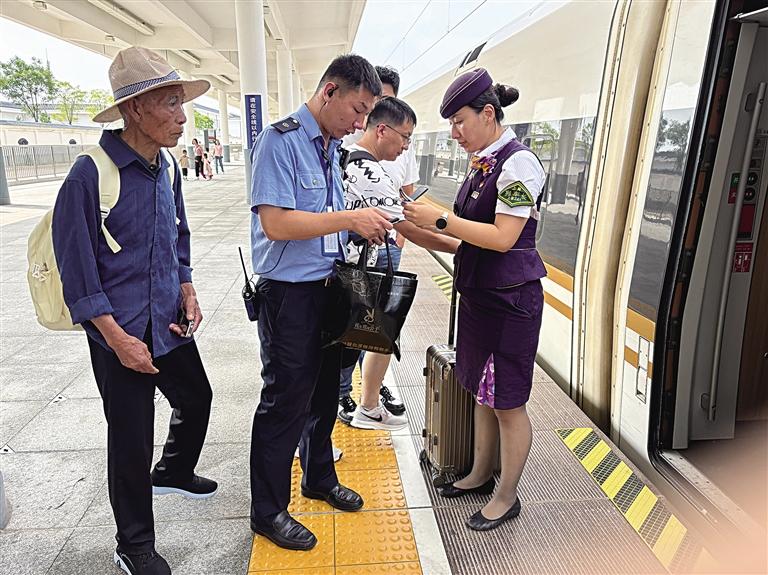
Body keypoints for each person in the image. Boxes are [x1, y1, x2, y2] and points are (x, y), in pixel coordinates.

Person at [52, 47, 216, 575]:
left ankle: (173, 470)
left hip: (167, 321)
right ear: (134, 109)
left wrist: (186, 286)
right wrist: (117, 339)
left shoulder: (166, 168)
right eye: (170, 103)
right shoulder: (88, 175)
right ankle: (134, 544)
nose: (183, 116)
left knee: (197, 396)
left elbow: (178, 235)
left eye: (181, 102)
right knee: (130, 438)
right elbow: (77, 271)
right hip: (118, 332)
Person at [248, 54, 392, 551]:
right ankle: (268, 511)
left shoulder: (331, 147)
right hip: (289, 295)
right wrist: (350, 220)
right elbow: (276, 223)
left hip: (330, 286)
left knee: (326, 392)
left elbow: (321, 218)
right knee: (284, 402)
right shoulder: (280, 141)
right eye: (357, 110)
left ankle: (318, 477)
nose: (359, 123)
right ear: (329, 91)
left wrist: (358, 226)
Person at [404, 68, 546, 532]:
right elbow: (468, 240)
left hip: (510, 303)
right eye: (451, 124)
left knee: (507, 402)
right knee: (483, 393)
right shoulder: (484, 163)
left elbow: (503, 238)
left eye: (459, 121)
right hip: (482, 299)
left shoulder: (519, 164)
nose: (455, 133)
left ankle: (507, 496)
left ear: (488, 114)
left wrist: (439, 219)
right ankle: (480, 474)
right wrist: (414, 229)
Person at [342, 96, 459, 431]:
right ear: (382, 130)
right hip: (352, 275)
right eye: (405, 137)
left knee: (368, 338)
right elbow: (411, 230)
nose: (407, 146)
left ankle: (363, 408)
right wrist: (464, 248)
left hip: (347, 271)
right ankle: (349, 418)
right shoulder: (371, 172)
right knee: (364, 341)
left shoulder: (347, 158)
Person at [337, 65, 419, 424]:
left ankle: (365, 398)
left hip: (378, 249)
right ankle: (352, 400)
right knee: (366, 331)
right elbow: (407, 221)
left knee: (370, 331)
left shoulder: (373, 159)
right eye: (368, 105)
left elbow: (406, 198)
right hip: (358, 262)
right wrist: (458, 243)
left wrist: (399, 233)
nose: (406, 146)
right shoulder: (363, 164)